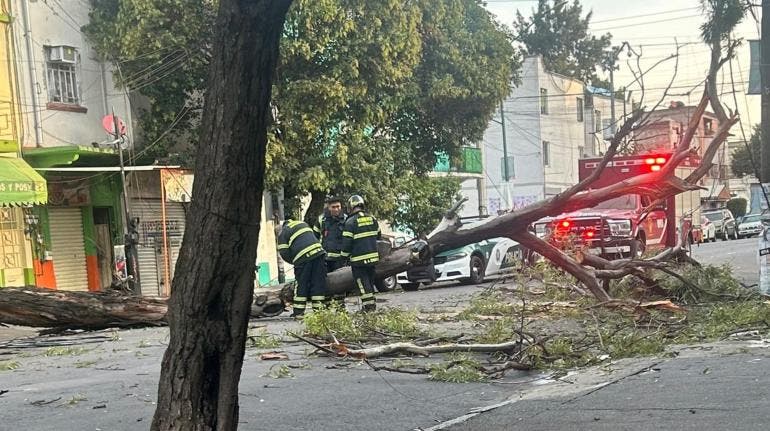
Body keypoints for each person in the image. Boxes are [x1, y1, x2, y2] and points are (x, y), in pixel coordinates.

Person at [277, 218, 326, 317]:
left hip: (303, 258)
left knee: (301, 284)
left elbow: (284, 252)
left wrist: (295, 261)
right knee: (318, 283)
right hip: (319, 253)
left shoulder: (283, 233)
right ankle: (319, 311)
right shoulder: (302, 223)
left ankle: (298, 312)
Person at [341, 195, 380, 312]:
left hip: (359, 261)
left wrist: (343, 257)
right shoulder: (372, 219)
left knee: (363, 284)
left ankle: (369, 308)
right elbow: (378, 236)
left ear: (351, 207)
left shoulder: (350, 222)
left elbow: (347, 243)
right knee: (370, 283)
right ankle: (371, 305)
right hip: (373, 259)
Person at [313, 196, 348, 273]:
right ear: (329, 207)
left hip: (340, 260)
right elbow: (314, 239)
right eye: (333, 207)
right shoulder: (321, 219)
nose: (336, 209)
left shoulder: (346, 219)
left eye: (338, 206)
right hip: (324, 259)